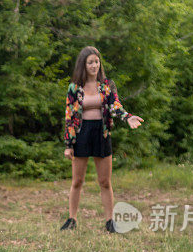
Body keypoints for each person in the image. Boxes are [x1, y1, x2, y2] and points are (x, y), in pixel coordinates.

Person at [61, 46, 143, 233]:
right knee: (77, 181)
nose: (94, 65)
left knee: (105, 181)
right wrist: (69, 144)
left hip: (102, 134)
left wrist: (127, 117)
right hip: (81, 135)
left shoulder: (107, 85)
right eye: (90, 62)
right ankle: (72, 219)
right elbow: (69, 115)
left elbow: (115, 106)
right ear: (83, 64)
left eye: (96, 62)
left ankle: (109, 222)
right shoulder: (74, 88)